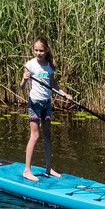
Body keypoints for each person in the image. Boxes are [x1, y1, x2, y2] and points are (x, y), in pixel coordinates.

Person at [21, 36, 73, 181]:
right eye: (36, 50)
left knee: (47, 136)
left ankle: (49, 168)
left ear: (46, 50)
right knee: (35, 136)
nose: (38, 53)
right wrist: (25, 79)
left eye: (41, 51)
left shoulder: (49, 66)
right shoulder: (30, 65)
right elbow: (22, 87)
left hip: (46, 104)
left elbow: (53, 86)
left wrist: (65, 94)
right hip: (35, 103)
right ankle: (27, 170)